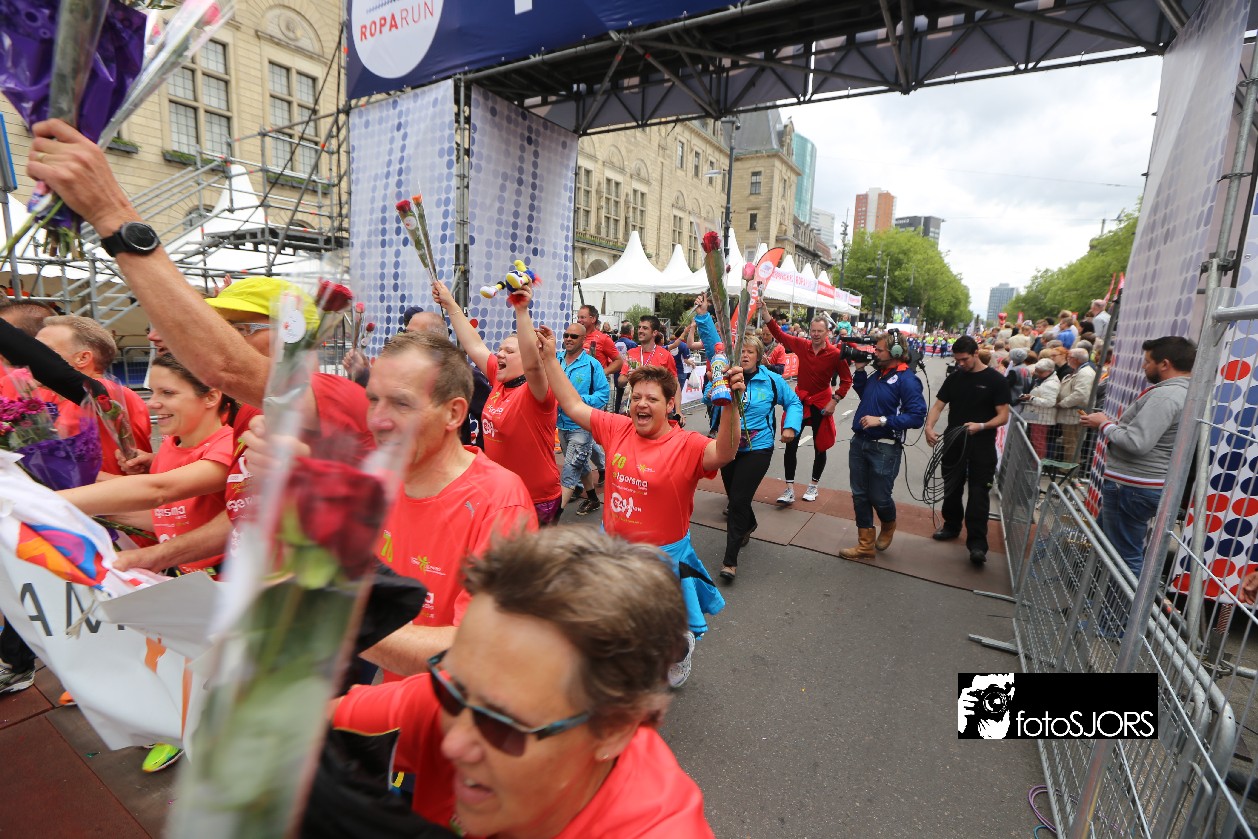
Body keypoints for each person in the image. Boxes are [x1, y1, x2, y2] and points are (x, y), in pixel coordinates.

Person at [23, 122, 373, 577]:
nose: (224, 339)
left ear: (292, 334)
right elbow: (242, 515)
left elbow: (222, 367)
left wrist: (112, 214)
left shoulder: (335, 398)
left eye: (238, 328)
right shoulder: (248, 414)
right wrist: (153, 557)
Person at [330, 528, 715, 838]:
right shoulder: (465, 700)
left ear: (614, 728)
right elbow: (307, 724)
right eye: (453, 689)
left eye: (503, 724)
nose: (452, 743)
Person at [58, 353, 234, 773]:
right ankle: (178, 726)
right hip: (180, 580)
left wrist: (50, 500)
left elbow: (159, 490)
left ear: (211, 396)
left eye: (167, 393)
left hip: (221, 587)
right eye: (153, 391)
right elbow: (162, 513)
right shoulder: (172, 444)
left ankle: (201, 735)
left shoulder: (228, 447)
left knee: (215, 676)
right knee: (173, 662)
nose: (153, 402)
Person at [541, 328, 742, 685]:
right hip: (614, 550)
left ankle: (680, 649)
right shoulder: (616, 428)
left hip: (663, 559)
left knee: (665, 633)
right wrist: (547, 358)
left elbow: (724, 452)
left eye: (651, 398)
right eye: (636, 397)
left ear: (670, 405)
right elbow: (572, 405)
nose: (641, 404)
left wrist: (731, 406)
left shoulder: (686, 444)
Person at [350, 331, 538, 679]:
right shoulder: (379, 482)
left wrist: (338, 622)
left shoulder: (500, 504)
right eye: (374, 400)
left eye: (402, 403)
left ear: (454, 413)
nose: (377, 419)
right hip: (394, 698)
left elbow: (477, 652)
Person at [431, 280, 562, 524]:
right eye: (500, 349)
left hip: (535, 499)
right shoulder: (499, 379)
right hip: (500, 493)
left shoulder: (538, 393)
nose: (499, 354)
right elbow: (474, 344)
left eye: (509, 351)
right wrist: (450, 303)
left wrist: (521, 310)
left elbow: (534, 366)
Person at [1080, 336, 1194, 578]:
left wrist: (1104, 424)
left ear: (1164, 364)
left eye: (1147, 361)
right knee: (1110, 546)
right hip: (1138, 484)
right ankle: (1100, 599)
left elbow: (1137, 442)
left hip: (1133, 485)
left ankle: (1124, 603)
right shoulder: (1184, 393)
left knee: (1124, 557)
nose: (1143, 366)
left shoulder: (1166, 395)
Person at [701, 335, 801, 579]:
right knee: (736, 497)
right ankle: (749, 523)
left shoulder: (771, 380)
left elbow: (794, 402)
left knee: (737, 501)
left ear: (758, 356)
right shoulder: (725, 375)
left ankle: (730, 562)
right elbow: (706, 397)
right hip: (728, 446)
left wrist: (790, 427)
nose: (744, 356)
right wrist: (717, 386)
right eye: (741, 352)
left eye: (749, 352)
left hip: (758, 447)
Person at [838, 331, 927, 559]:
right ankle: (865, 545)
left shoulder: (908, 380)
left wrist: (884, 420)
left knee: (879, 497)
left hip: (885, 447)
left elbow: (917, 416)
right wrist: (859, 371)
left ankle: (888, 524)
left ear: (895, 352)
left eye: (879, 350)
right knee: (860, 495)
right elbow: (866, 395)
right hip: (860, 442)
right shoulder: (878, 374)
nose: (874, 353)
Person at [924, 335, 1011, 565]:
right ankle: (951, 526)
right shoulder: (955, 377)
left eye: (964, 359)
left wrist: (981, 426)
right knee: (951, 488)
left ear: (975, 354)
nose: (960, 364)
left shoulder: (995, 380)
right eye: (957, 360)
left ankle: (977, 544)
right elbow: (938, 406)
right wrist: (929, 427)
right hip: (954, 441)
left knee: (978, 493)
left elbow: (1003, 416)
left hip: (982, 445)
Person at [35, 314, 152, 475]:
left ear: (83, 358)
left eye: (43, 350)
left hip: (115, 490)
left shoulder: (103, 390)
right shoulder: (50, 395)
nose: (31, 356)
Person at [765, 314, 852, 504]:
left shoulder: (836, 354)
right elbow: (779, 335)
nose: (816, 334)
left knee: (820, 446)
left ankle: (813, 485)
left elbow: (847, 380)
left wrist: (835, 400)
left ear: (828, 332)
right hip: (800, 401)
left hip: (822, 403)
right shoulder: (802, 345)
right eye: (813, 330)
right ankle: (789, 489)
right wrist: (765, 315)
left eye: (820, 331)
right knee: (790, 443)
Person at [554, 322, 611, 516]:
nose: (568, 339)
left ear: (583, 339)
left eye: (574, 336)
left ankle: (553, 517)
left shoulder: (592, 365)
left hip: (581, 426)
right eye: (566, 335)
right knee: (581, 464)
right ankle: (593, 499)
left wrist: (577, 401)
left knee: (570, 469)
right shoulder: (556, 360)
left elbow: (603, 395)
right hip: (561, 424)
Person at [1055, 347, 1097, 463]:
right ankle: (1069, 468)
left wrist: (1062, 404)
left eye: (1069, 357)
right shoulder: (1080, 371)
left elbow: (1080, 395)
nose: (1067, 359)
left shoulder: (1085, 373)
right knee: (1070, 443)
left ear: (1076, 359)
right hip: (1072, 414)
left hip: (1074, 414)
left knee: (1071, 443)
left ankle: (1070, 469)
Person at [1021, 358, 1061, 458]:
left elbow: (1049, 402)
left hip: (1041, 418)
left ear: (1049, 371)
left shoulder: (1051, 384)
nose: (1037, 373)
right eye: (1036, 370)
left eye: (1040, 372)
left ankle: (1038, 462)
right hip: (1037, 415)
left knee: (1038, 441)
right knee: (1036, 440)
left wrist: (1031, 398)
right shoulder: (1045, 380)